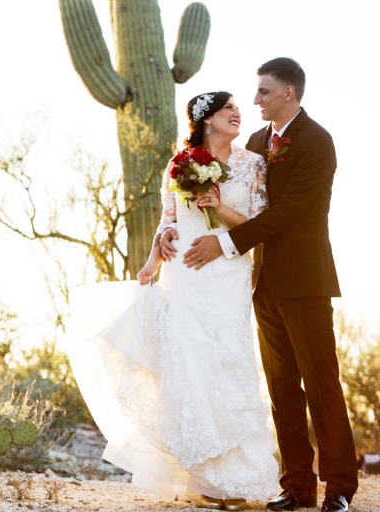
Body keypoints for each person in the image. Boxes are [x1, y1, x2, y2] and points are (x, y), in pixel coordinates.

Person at [67, 91, 278, 511]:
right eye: (228, 109)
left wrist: (220, 207)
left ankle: (237, 477)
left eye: (238, 108)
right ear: (205, 120)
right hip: (182, 271)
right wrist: (153, 256)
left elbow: (261, 221)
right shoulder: (178, 164)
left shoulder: (252, 163)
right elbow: (169, 216)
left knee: (226, 358)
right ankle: (206, 480)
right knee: (187, 362)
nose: (238, 114)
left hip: (226, 272)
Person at [182, 58, 358, 512]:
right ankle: (297, 486)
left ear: (288, 94)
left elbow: (288, 213)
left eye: (263, 92)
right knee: (282, 387)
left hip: (306, 280)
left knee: (321, 384)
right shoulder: (258, 143)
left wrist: (224, 243)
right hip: (261, 283)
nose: (255, 100)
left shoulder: (318, 142)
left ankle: (338, 487)